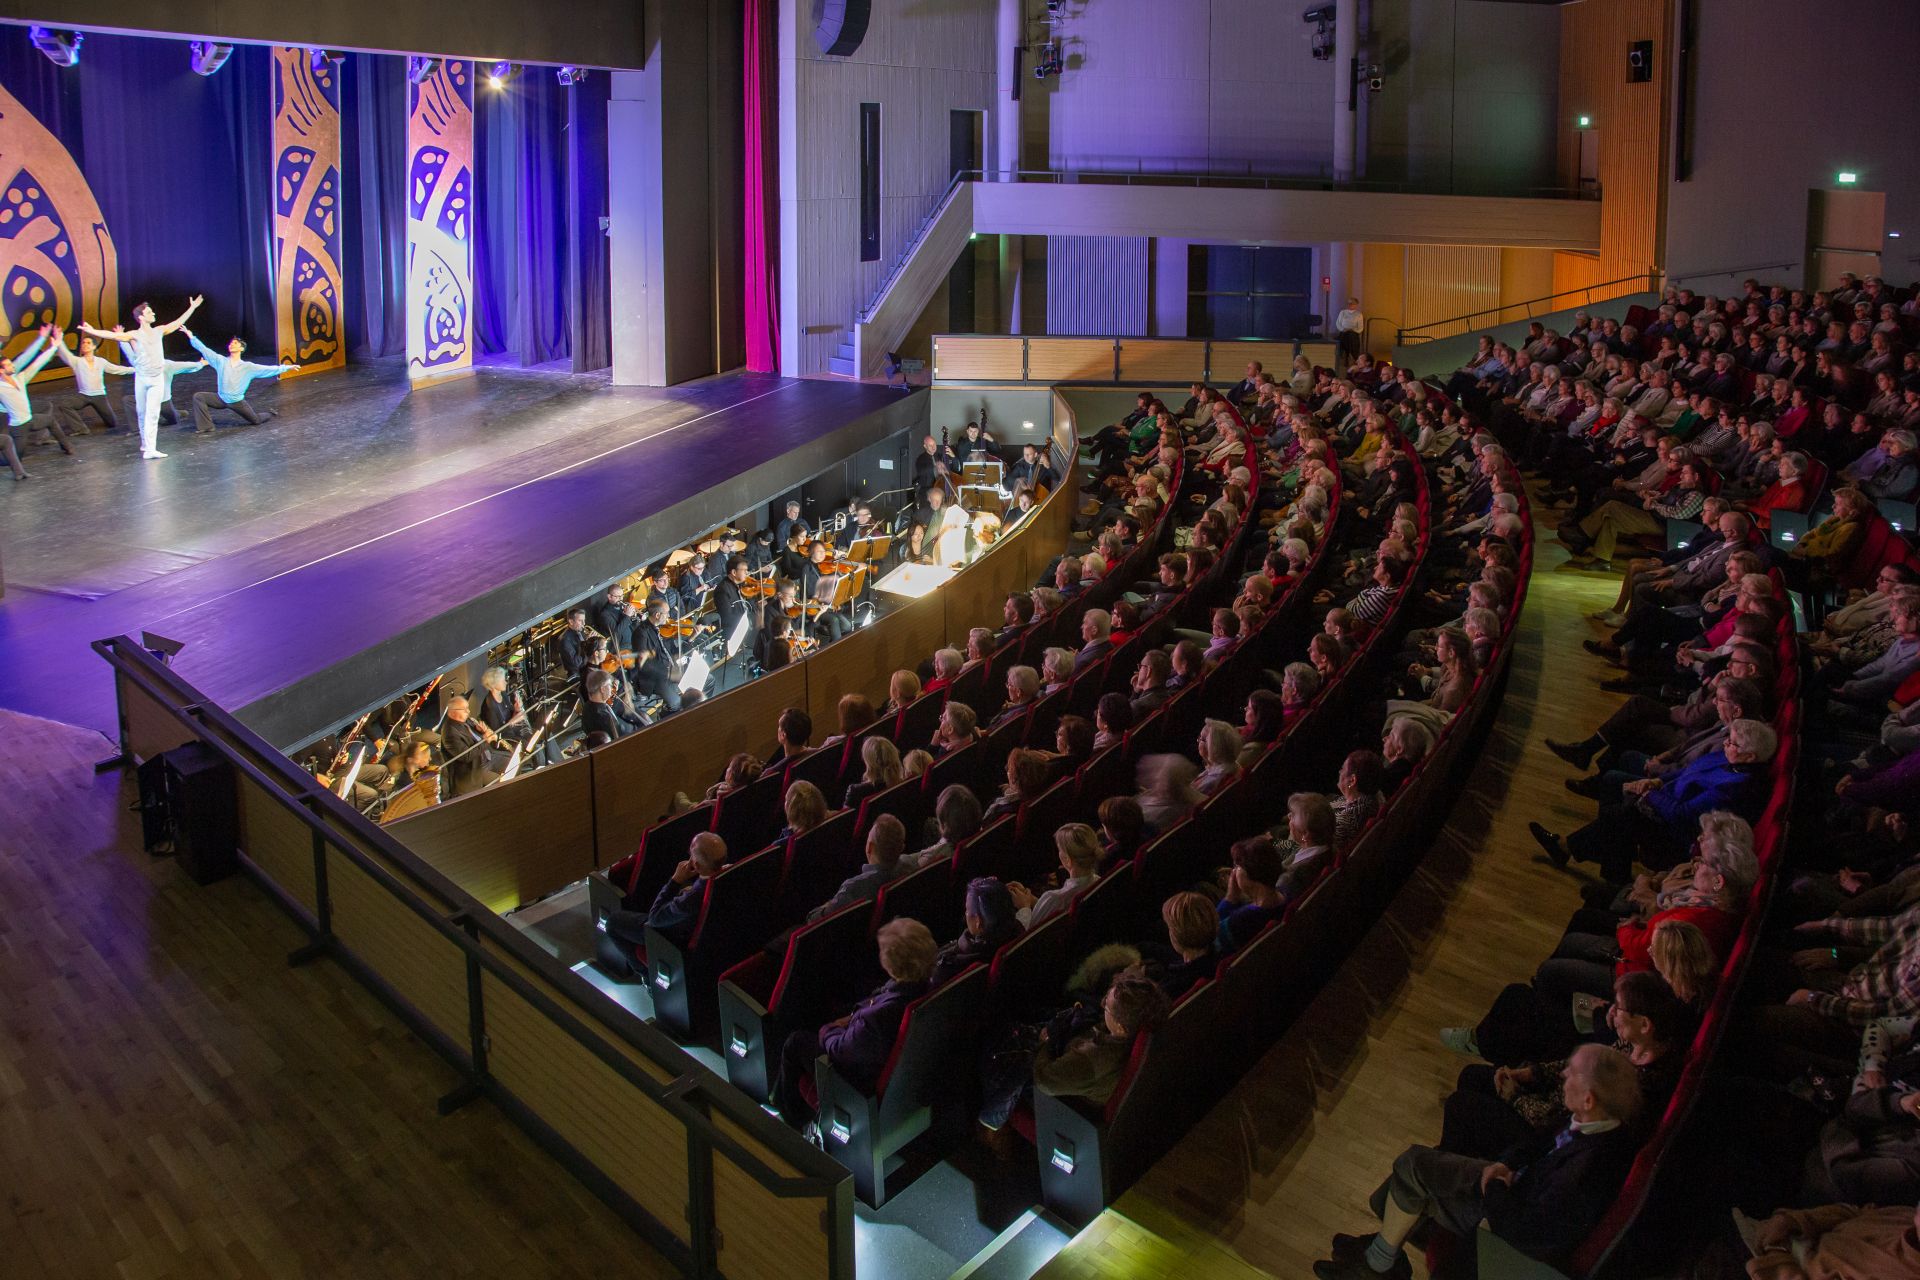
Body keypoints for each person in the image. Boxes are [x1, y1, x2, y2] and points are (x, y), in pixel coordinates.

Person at [1311, 1044, 1644, 1279]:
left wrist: (1496, 1187)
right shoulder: (1594, 1121)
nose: (1563, 1076)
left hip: (1504, 1223)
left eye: (1571, 1074)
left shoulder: (1586, 1171)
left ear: (1588, 1099)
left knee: (1412, 1171)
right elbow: (1538, 1140)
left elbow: (1527, 1234)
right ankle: (1383, 1257)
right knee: (1409, 1171)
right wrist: (1504, 1163)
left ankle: (1378, 1264)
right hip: (1511, 1184)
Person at [773, 917, 937, 1127]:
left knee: (795, 1043)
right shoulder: (926, 986)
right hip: (884, 1063)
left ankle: (790, 1119)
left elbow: (838, 1051)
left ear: (894, 966)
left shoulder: (876, 1019)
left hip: (856, 1085)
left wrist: (829, 1029)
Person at [80, 294, 203, 460]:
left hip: (156, 379)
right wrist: (92, 331)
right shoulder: (134, 335)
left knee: (152, 413)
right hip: (142, 378)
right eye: (150, 312)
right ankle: (145, 444)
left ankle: (151, 449)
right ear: (141, 317)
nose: (153, 314)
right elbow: (113, 336)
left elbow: (177, 322)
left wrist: (192, 307)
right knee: (141, 411)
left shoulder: (159, 330)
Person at [1736, 1201, 1920, 1280]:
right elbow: (1858, 1212)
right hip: (1783, 1236)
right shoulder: (1906, 1217)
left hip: (1770, 1263)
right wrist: (1794, 1221)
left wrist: (1776, 1253)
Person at [0, 326, 81, 479]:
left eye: (11, 364)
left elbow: (36, 363)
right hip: (18, 428)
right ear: (1, 371)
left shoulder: (20, 378)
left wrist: (54, 347)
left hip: (30, 420)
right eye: (9, 365)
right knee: (11, 458)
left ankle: (67, 447)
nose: (13, 366)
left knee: (50, 419)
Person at [183, 331, 296, 434]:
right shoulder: (221, 361)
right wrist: (191, 336)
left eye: (235, 343)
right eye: (231, 343)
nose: (232, 344)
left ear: (242, 348)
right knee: (199, 397)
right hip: (221, 399)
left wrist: (286, 368)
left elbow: (267, 369)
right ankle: (206, 426)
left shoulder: (248, 367)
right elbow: (205, 350)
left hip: (236, 401)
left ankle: (270, 413)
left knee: (255, 420)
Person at [808, 814, 909, 920]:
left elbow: (812, 919)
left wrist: (827, 905)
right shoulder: (909, 868)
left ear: (870, 847)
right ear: (901, 848)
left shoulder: (852, 888)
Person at [1009, 823, 1102, 927]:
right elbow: (1050, 910)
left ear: (1067, 860)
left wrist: (1023, 907)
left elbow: (1029, 934)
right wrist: (1031, 900)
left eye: (1059, 850)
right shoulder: (1099, 882)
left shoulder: (1054, 898)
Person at [932, 878, 1021, 984]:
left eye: (967, 910)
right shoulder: (1018, 932)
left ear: (978, 921)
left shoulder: (950, 967)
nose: (965, 915)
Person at [50, 332, 130, 436]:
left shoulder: (101, 362)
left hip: (99, 396)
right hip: (84, 395)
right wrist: (59, 341)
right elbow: (66, 354)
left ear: (94, 346)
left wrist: (135, 369)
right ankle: (80, 429)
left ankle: (108, 419)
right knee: (64, 405)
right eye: (83, 343)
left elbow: (117, 369)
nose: (85, 344)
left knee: (112, 423)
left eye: (88, 343)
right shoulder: (77, 362)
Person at [1336, 296, 1366, 362]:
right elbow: (1338, 323)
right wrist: (1343, 329)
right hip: (1344, 332)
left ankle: (1349, 355)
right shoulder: (1343, 312)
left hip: (1354, 333)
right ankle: (1348, 355)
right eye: (1349, 303)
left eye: (1353, 303)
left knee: (1351, 336)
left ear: (1356, 305)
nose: (1350, 305)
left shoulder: (1359, 314)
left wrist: (1353, 330)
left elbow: (1360, 327)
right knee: (1346, 336)